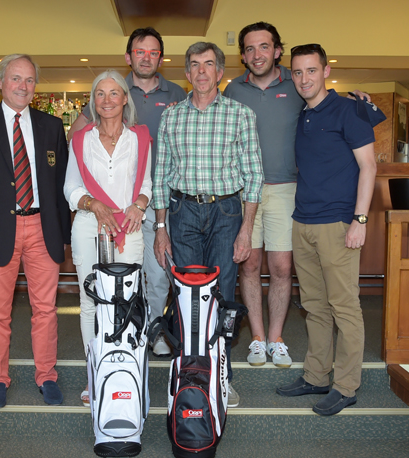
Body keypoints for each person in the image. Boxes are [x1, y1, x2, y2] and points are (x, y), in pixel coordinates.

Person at [223, 22, 370, 369]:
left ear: (276, 51)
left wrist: (355, 97)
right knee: (249, 264)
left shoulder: (295, 83)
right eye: (249, 48)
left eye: (264, 47)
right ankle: (257, 339)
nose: (256, 54)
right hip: (245, 192)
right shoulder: (232, 90)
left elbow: (325, 98)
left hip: (289, 189)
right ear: (242, 54)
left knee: (282, 267)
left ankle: (277, 339)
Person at [0, 54, 71, 408]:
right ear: (1, 82)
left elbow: (62, 187)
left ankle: (46, 376)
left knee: (46, 310)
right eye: (16, 79)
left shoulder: (52, 126)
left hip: (42, 228)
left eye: (30, 80)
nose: (23, 86)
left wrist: (64, 235)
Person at [153, 42, 263, 408]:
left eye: (209, 65)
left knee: (222, 297)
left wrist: (246, 229)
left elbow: (253, 176)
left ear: (220, 72)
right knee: (186, 298)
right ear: (186, 74)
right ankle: (188, 373)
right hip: (182, 213)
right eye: (195, 65)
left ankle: (221, 376)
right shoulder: (171, 116)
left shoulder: (240, 115)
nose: (202, 71)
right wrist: (160, 227)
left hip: (226, 214)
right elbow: (161, 175)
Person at [69, 27, 187, 358]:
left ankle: (153, 330)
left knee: (157, 273)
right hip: (112, 207)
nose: (146, 57)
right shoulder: (114, 89)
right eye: (140, 51)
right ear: (129, 56)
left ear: (160, 57)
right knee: (111, 285)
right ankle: (110, 352)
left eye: (153, 52)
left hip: (155, 201)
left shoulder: (177, 92)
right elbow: (77, 138)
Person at [276, 44, 377, 416]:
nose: (304, 79)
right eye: (298, 72)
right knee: (315, 307)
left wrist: (360, 220)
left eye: (311, 71)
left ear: (326, 70)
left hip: (338, 224)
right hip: (303, 222)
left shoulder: (349, 109)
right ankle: (317, 376)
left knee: (345, 307)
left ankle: (346, 385)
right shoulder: (303, 113)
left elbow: (369, 167)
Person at [64, 69, 152, 407]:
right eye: (100, 94)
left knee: (128, 303)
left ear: (125, 98)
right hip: (89, 226)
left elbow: (145, 185)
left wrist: (140, 204)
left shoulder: (140, 138)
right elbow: (70, 187)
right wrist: (92, 204)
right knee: (90, 304)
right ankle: (93, 376)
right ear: (93, 101)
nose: (107, 100)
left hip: (128, 228)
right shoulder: (81, 139)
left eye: (114, 93)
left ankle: (125, 372)